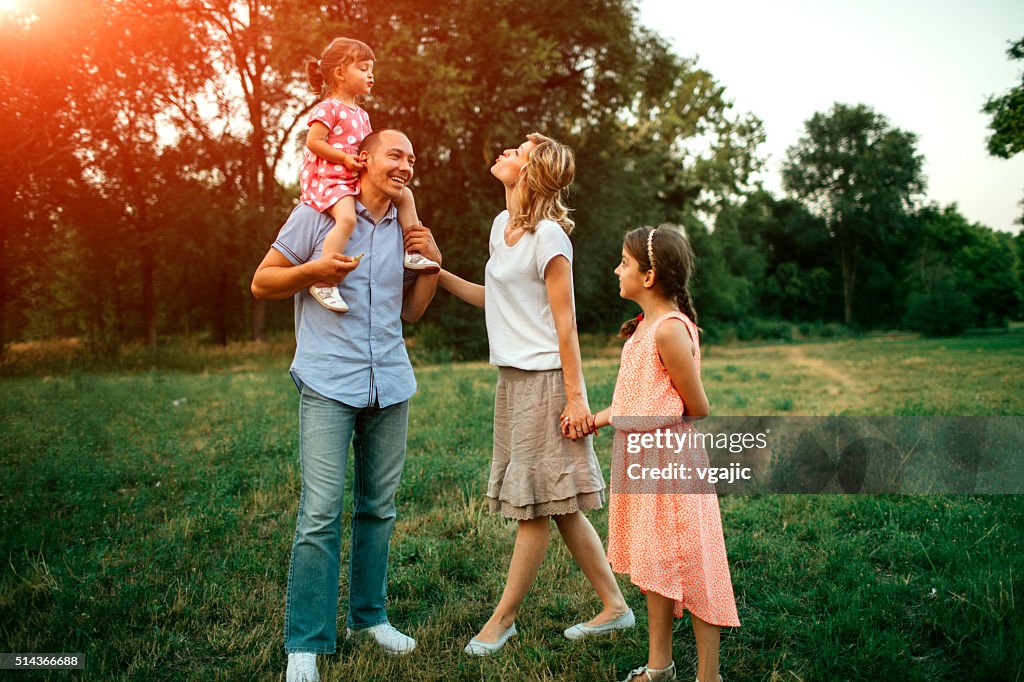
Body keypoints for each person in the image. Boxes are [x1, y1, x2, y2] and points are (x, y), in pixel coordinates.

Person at [251, 129, 441, 682]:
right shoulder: (319, 214)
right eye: (395, 154)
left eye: (411, 157)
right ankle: (306, 643)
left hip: (391, 384)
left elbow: (412, 314)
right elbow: (262, 283)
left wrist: (429, 260)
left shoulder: (407, 229)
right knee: (319, 514)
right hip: (329, 382)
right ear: (365, 159)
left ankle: (369, 618)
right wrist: (313, 272)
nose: (405, 165)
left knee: (378, 508)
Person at [439, 132, 633, 656]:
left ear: (531, 173)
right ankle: (616, 608)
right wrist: (438, 276)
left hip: (548, 382)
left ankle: (502, 620)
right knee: (561, 505)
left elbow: (565, 325)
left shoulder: (550, 238)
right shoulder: (501, 227)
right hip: (513, 381)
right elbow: (498, 301)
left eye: (516, 154)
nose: (503, 152)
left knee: (534, 509)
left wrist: (576, 399)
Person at [589, 226, 740, 682]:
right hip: (644, 467)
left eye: (624, 262)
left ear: (649, 275)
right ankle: (660, 668)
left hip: (671, 467)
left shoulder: (670, 331)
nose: (617, 269)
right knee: (656, 564)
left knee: (696, 565)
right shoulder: (643, 329)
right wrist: (596, 419)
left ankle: (708, 676)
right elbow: (640, 400)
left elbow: (698, 407)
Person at [299, 37, 439, 313]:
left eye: (371, 68)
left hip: (354, 176)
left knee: (406, 195)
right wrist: (345, 159)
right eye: (363, 68)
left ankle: (413, 253)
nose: (370, 74)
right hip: (332, 179)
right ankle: (325, 279)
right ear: (340, 73)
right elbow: (313, 142)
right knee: (348, 219)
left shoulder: (362, 115)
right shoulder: (328, 107)